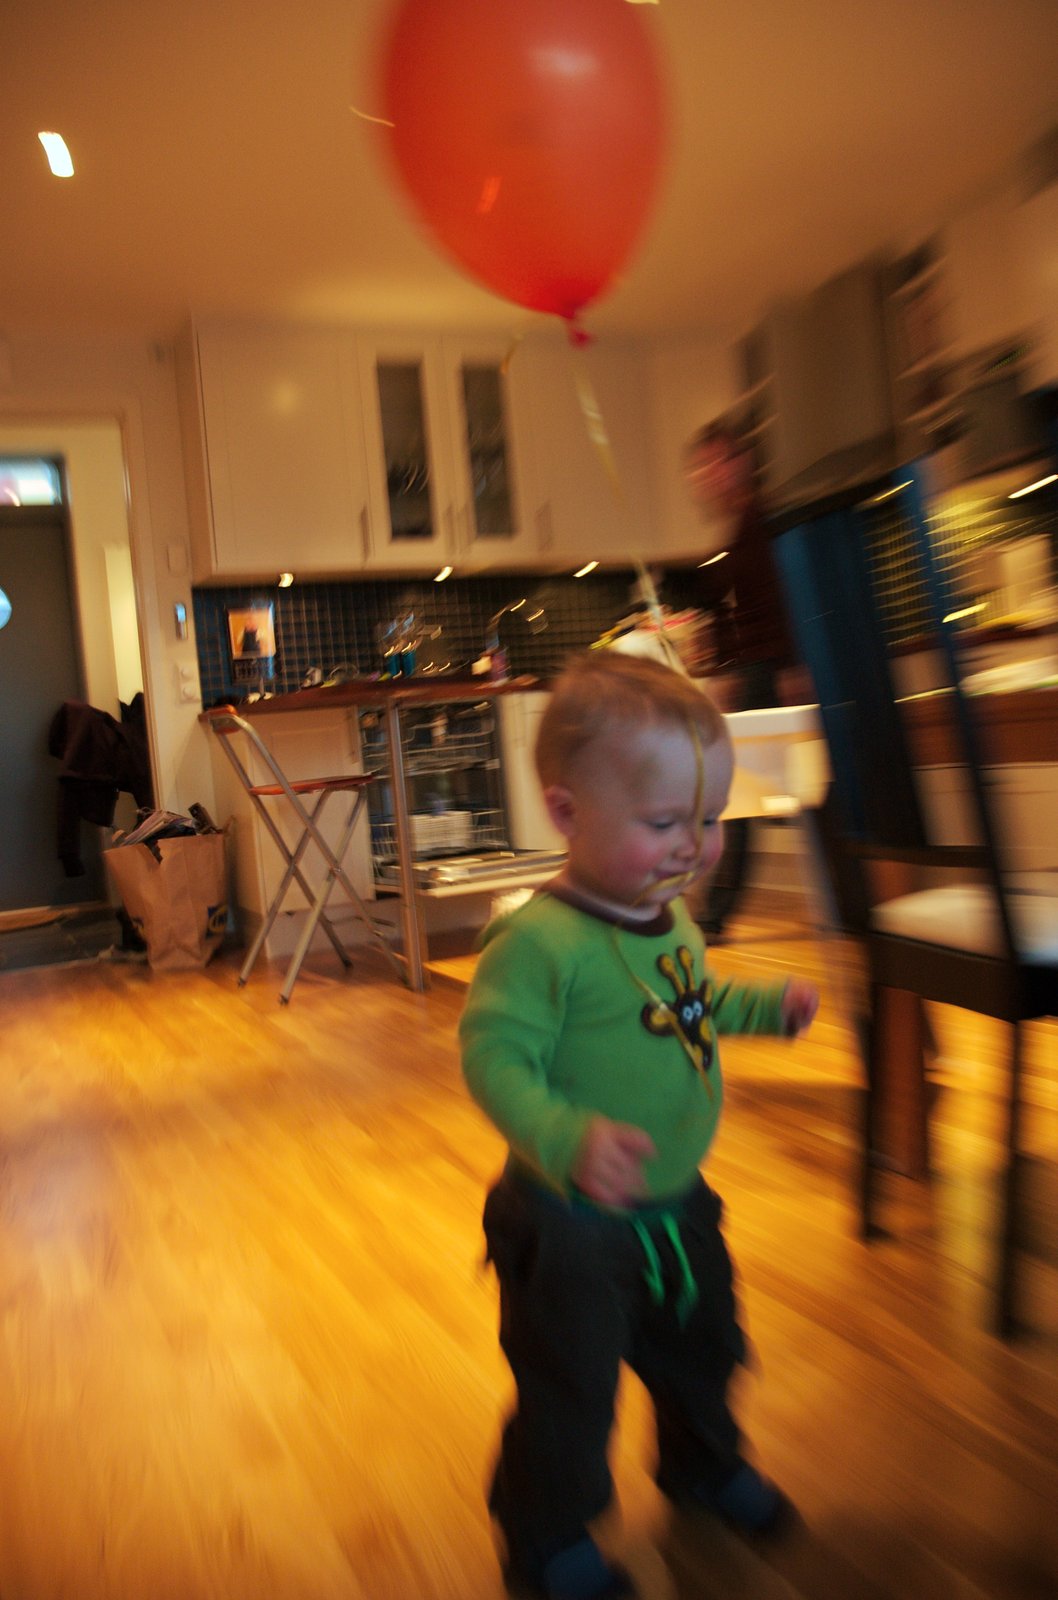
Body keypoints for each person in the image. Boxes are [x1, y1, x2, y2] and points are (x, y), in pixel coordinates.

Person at [459, 652, 819, 1600]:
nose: (693, 847)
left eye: (710, 820)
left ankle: (703, 1467)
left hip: (677, 1204)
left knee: (705, 1352)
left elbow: (693, 1002)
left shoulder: (668, 915)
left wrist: (764, 1008)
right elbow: (493, 1060)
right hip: (570, 1225)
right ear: (567, 812)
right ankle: (544, 1535)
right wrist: (565, 1138)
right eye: (665, 823)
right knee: (570, 1388)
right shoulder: (539, 943)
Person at [671, 420, 805, 940]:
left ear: (743, 463)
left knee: (750, 794)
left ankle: (716, 914)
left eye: (716, 462)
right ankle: (716, 912)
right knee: (755, 794)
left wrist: (791, 669)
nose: (707, 476)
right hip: (761, 672)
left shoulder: (761, 524)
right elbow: (736, 612)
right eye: (700, 468)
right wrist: (725, 665)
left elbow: (780, 603)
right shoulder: (740, 531)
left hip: (772, 673)